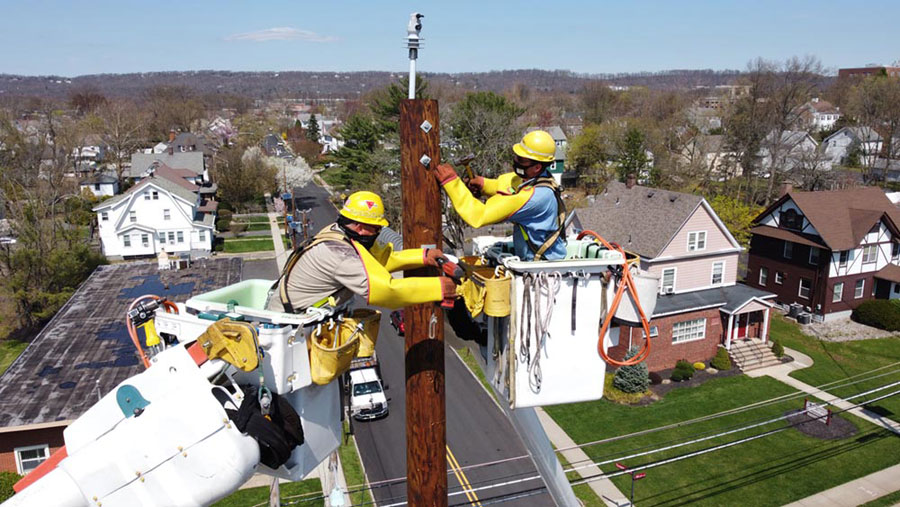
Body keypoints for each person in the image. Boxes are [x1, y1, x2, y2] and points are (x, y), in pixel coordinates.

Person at [267, 190, 456, 313]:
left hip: (297, 313)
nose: (379, 233)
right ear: (360, 226)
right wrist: (439, 287)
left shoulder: (340, 232)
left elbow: (382, 260)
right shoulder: (339, 255)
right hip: (288, 323)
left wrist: (423, 257)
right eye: (376, 228)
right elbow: (386, 292)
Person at [432, 130, 567, 261]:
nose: (515, 161)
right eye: (515, 156)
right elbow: (504, 184)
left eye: (521, 159)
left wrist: (452, 183)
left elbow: (479, 215)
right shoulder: (535, 178)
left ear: (537, 167)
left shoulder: (536, 198)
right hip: (533, 258)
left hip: (542, 264)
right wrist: (483, 184)